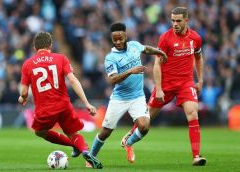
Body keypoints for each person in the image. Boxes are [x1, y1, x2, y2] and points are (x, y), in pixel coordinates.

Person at [121, 7, 206, 166]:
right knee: (145, 120)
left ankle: (196, 156)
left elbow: (199, 58)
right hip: (166, 84)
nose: (175, 23)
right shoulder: (165, 38)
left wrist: (200, 80)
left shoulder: (195, 38)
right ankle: (129, 137)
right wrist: (159, 88)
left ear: (186, 20)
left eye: (178, 20)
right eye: (173, 20)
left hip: (186, 83)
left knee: (193, 114)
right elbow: (157, 64)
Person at [18, 31, 102, 169]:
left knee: (40, 132)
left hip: (44, 109)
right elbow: (73, 80)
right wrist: (86, 103)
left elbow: (24, 92)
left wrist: (22, 98)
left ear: (34, 47)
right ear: (51, 45)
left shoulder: (27, 64)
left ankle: (73, 145)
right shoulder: (61, 58)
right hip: (64, 105)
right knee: (73, 133)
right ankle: (85, 151)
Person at [88, 22, 167, 165]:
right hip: (119, 99)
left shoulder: (134, 46)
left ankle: (128, 143)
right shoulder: (110, 58)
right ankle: (91, 157)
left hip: (137, 97)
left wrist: (159, 51)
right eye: (115, 39)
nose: (118, 42)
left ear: (126, 36)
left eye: (120, 38)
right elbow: (112, 79)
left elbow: (146, 49)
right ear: (111, 39)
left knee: (144, 126)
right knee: (105, 132)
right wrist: (131, 70)